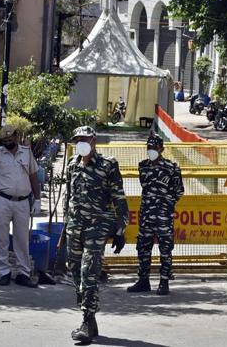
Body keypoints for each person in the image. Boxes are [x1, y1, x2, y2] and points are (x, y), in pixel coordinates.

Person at [64, 126, 128, 343]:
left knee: (88, 271)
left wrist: (120, 230)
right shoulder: (72, 164)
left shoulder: (107, 165)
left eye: (84, 138)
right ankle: (90, 320)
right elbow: (69, 197)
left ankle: (86, 319)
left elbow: (119, 199)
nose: (80, 142)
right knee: (74, 269)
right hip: (75, 226)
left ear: (94, 140)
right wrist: (66, 226)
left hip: (98, 225)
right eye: (77, 139)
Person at [0, 125, 41, 288]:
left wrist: (37, 199)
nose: (8, 142)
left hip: (23, 201)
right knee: (1, 237)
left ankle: (23, 273)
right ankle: (3, 272)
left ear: (16, 137)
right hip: (2, 200)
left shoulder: (27, 153)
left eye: (10, 139)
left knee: (22, 239)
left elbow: (34, 176)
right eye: (5, 140)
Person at [127, 134, 184, 295]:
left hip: (164, 216)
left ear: (162, 149)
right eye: (149, 147)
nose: (151, 150)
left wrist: (166, 204)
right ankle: (143, 281)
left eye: (154, 147)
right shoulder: (143, 166)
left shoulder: (172, 168)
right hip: (146, 214)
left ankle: (164, 281)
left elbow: (179, 191)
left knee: (165, 249)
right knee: (143, 248)